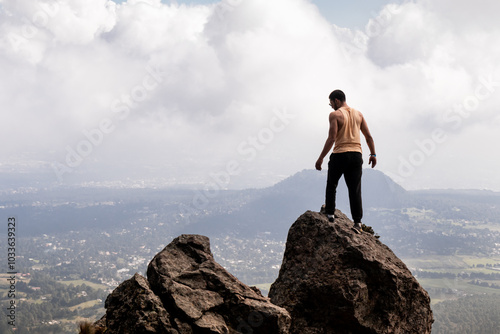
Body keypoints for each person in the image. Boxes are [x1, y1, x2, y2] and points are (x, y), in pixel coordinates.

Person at [315, 89, 377, 233]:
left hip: (340, 154)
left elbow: (332, 138)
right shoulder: (359, 114)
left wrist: (321, 158)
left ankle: (330, 214)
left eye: (331, 103)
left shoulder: (335, 115)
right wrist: (373, 154)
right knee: (355, 190)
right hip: (356, 155)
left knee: (332, 184)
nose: (331, 106)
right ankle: (357, 223)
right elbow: (368, 137)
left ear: (336, 100)